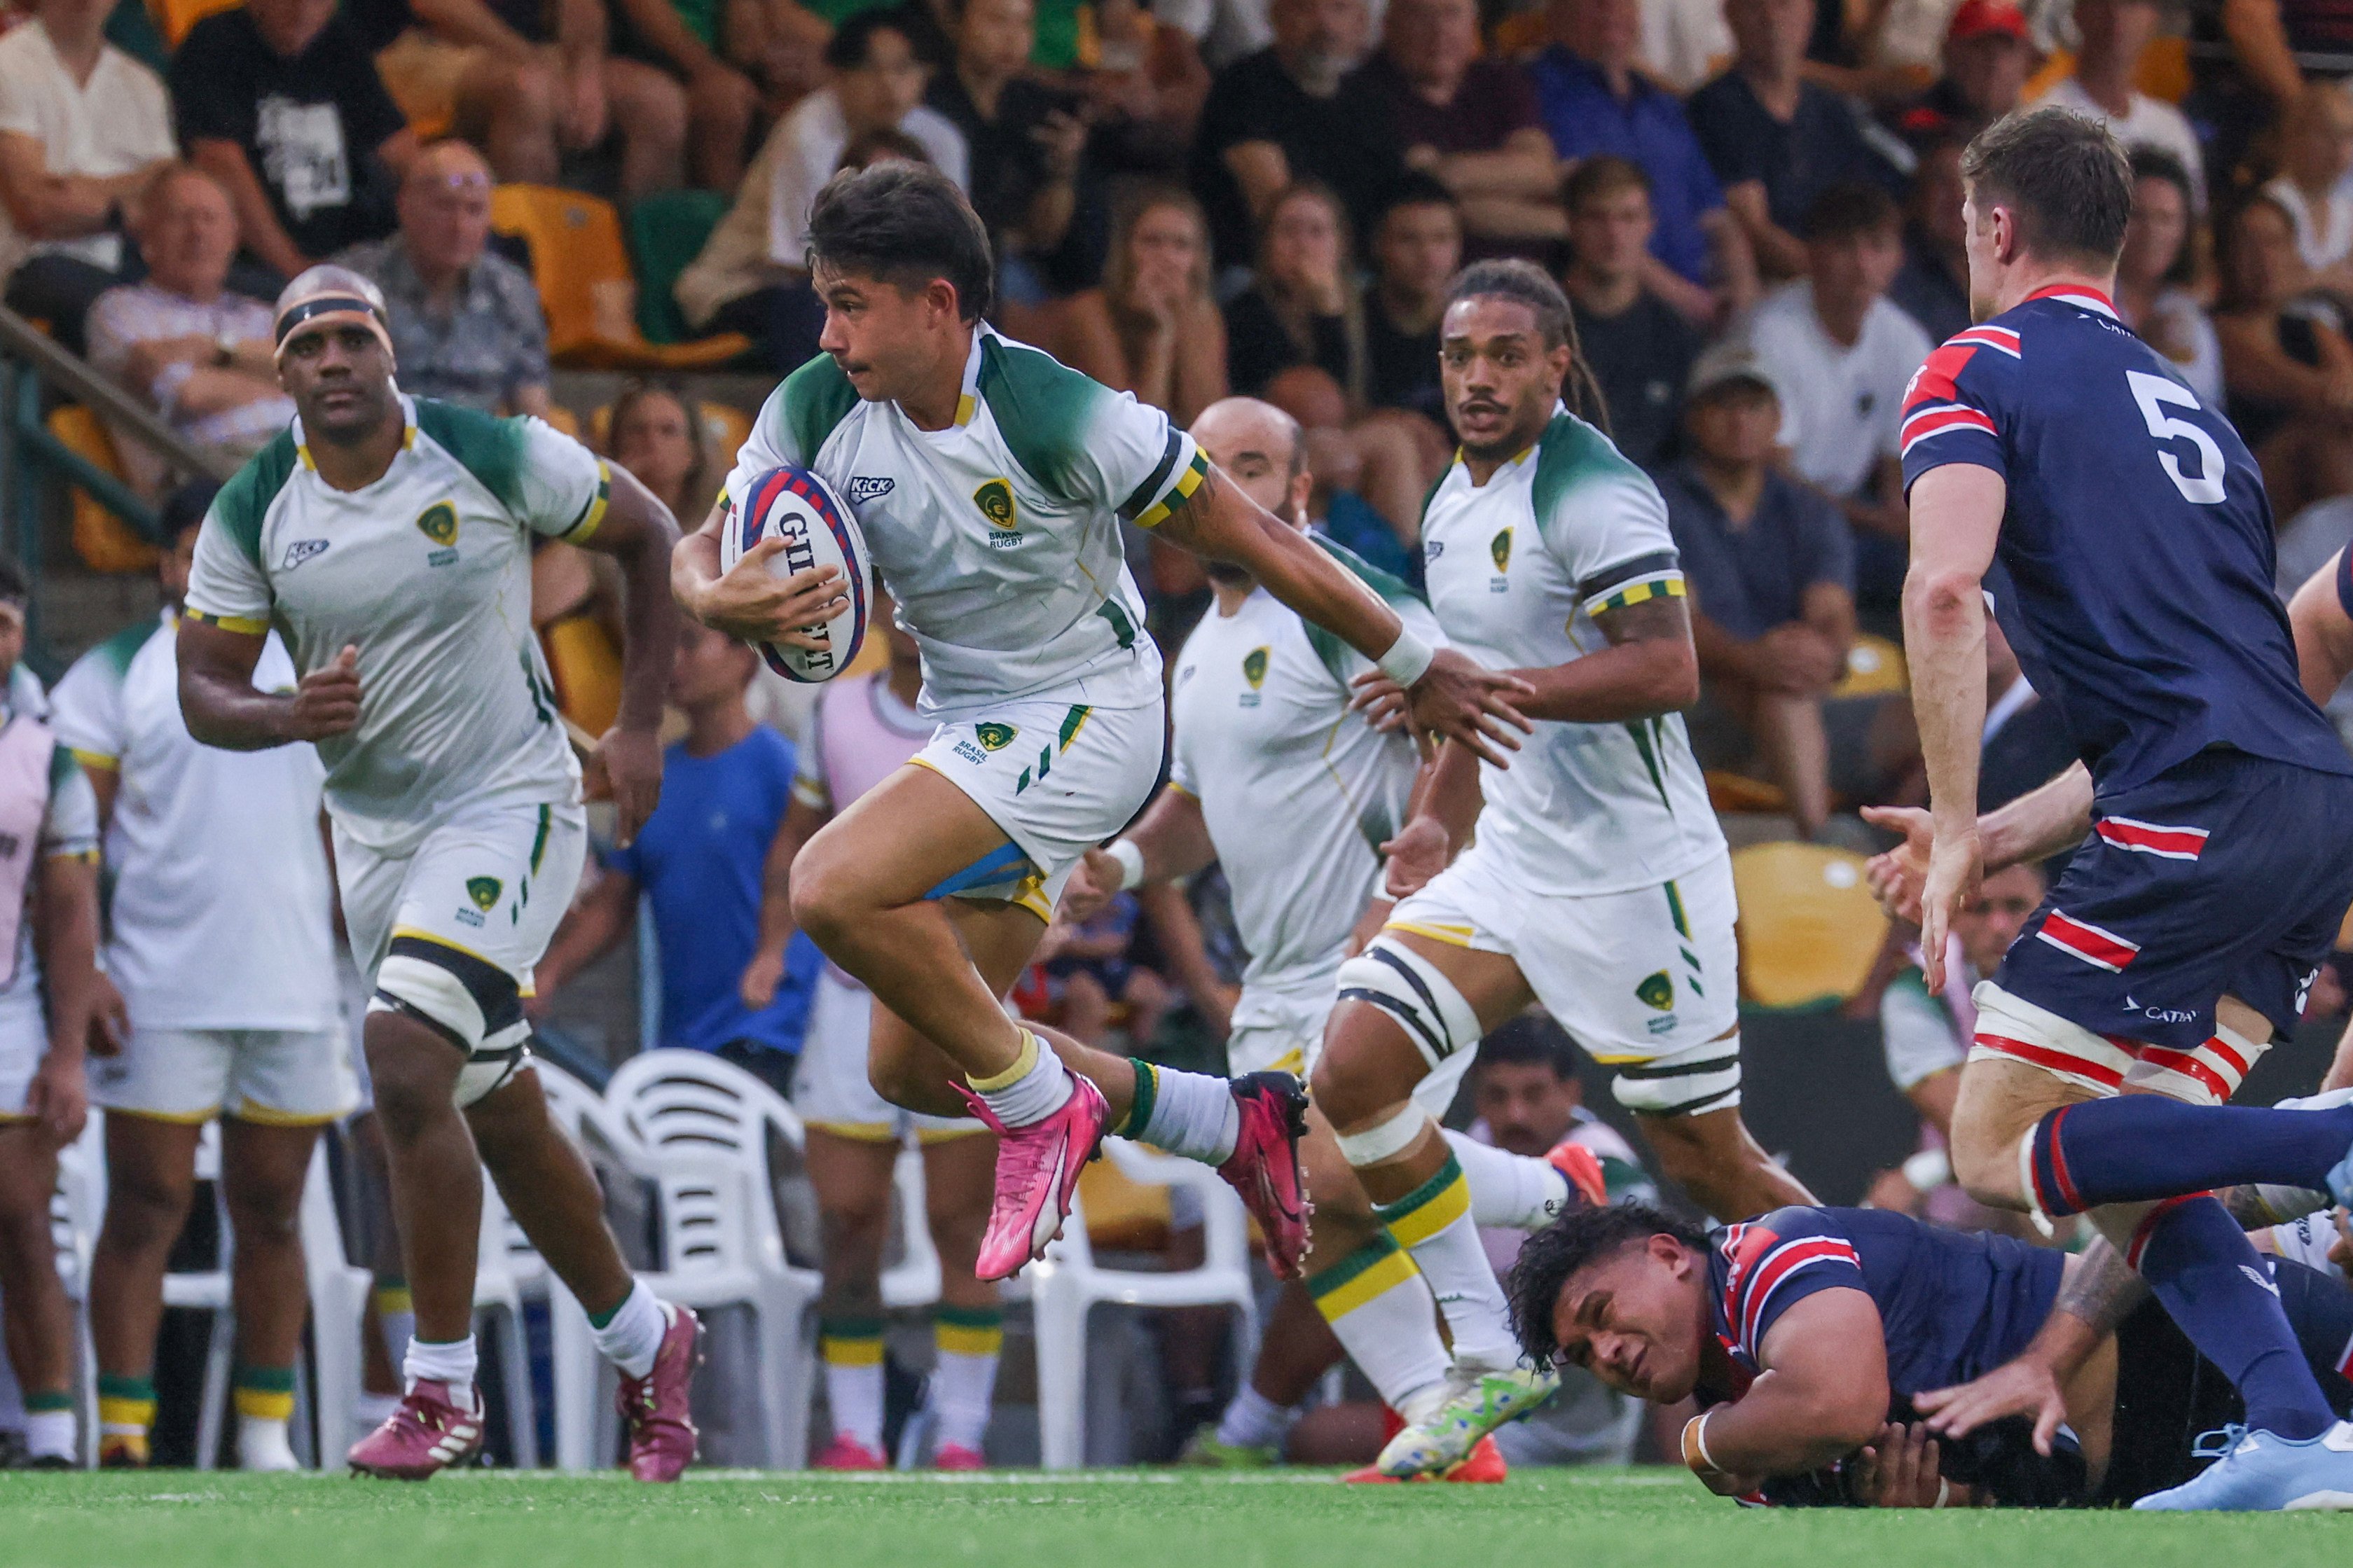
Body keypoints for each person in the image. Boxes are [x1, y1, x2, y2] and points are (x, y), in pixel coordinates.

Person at [670, 162, 1529, 1305]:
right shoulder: (817, 404)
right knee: (919, 1063)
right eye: (824, 301)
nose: (826, 331)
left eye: (849, 303)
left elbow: (1262, 538)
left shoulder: (1061, 411)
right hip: (971, 726)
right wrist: (708, 597)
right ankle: (1226, 1120)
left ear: (937, 303)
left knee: (829, 886)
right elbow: (704, 539)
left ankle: (1043, 1107)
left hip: (1091, 714)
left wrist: (1415, 658)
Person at [1868, 106, 2353, 1511]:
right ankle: (2284, 1428)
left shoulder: (1971, 367)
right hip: (2297, 804)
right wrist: (2003, 832)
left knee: (1995, 1147)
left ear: (1995, 228)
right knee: (2139, 1153)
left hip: (2194, 814)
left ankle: (2330, 1142)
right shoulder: (2189, 408)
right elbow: (2204, 690)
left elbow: (1942, 589)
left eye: (1965, 225)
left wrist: (1950, 816)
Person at [175, 265, 701, 1483]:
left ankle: (438, 1386)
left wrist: (633, 726)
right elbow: (204, 687)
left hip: (508, 800)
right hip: (373, 835)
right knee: (489, 1105)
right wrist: (281, 713)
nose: (337, 358)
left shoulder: (488, 450)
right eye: (310, 343)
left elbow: (648, 533)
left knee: (404, 1054)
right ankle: (644, 1330)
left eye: (356, 333)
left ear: (391, 350)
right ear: (283, 374)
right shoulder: (255, 506)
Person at [1311, 258, 1816, 1482]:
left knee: (1707, 1163)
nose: (1475, 377)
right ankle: (1489, 1344)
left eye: (1501, 354)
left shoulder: (1593, 487)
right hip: (1511, 861)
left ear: (1553, 362)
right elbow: (1468, 691)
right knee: (1352, 1069)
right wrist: (1436, 818)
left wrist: (1486, 692)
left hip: (1636, 882)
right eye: (1456, 355)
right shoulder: (1447, 495)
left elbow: (1666, 667)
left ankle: (1868, 1309)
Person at [1063, 396, 1596, 1483]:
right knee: (1304, 1216)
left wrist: (1406, 889)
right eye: (1203, 468)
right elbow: (1198, 808)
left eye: (1252, 464)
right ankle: (1448, 1432)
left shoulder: (1332, 598)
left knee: (1333, 1174)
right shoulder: (1199, 648)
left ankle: (1556, 1193)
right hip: (1274, 975)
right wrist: (1114, 864)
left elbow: (1474, 707)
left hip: (1382, 952)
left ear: (1299, 493)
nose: (1223, 486)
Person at [52, 503, 346, 1474]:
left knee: (273, 1211)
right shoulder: (113, 671)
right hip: (157, 985)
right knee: (145, 1205)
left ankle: (264, 1435)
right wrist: (84, 969)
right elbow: (69, 848)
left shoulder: (320, 663)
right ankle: (126, 1435)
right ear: (165, 559)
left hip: (296, 984)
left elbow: (347, 825)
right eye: (195, 548)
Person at [1505, 1200, 2353, 1507]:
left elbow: (1836, 1401)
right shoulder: (1748, 1430)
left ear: (1667, 1253)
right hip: (2164, 1471)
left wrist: (1699, 1446)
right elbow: (2000, 1497)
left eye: (1600, 1312)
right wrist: (1940, 1504)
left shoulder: (1766, 1254)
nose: (1607, 1350)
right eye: (1583, 1354)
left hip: (2221, 1344)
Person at [736, 590, 1000, 1472]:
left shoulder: (992, 712)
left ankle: (959, 1434)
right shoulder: (836, 708)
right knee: (847, 1220)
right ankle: (857, 1434)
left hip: (956, 997)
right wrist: (776, 945)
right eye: (892, 583)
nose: (912, 601)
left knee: (962, 1221)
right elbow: (796, 837)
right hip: (847, 1001)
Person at [531, 618, 820, 1088]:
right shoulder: (653, 781)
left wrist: (774, 959)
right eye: (664, 645)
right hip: (680, 1042)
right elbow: (615, 900)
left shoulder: (783, 768)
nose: (672, 661)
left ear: (745, 657)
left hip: (769, 1028)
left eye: (689, 643)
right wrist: (548, 974)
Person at [675, 10, 967, 373]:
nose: (889, 85)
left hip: (874, 289)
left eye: (904, 69)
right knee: (815, 309)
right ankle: (817, 421)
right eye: (872, 69)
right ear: (839, 76)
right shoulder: (806, 136)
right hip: (745, 288)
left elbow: (952, 249)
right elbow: (802, 264)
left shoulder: (942, 140)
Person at [1657, 343, 1856, 840]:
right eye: (1722, 406)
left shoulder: (1808, 508)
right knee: (1779, 691)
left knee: (1919, 715)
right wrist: (1757, 662)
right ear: (1693, 418)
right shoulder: (1655, 501)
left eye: (1753, 406)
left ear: (1776, 419)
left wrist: (1822, 655)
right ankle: (1819, 838)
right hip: (1698, 703)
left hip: (1803, 695)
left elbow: (1831, 610)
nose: (1739, 420)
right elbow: (1678, 621)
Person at [0, 560, 101, 1471]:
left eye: (4, 622)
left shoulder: (45, 751)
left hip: (5, 1009)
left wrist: (67, 1050)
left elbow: (68, 909)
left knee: (21, 1211)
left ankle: (52, 1436)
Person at [1464, 1015, 1652, 1469]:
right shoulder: (1463, 1151)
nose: (1516, 1115)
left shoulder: (1609, 1164)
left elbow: (1654, 1318)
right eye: (1497, 1095)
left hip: (1590, 1423)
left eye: (1533, 1093)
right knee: (1318, 1437)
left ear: (1571, 1092)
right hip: (1489, 1415)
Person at [1737, 181, 1931, 609]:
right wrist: (1882, 523)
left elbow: (1897, 478)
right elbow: (1773, 474)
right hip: (1771, 520)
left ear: (1897, 259)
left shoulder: (1907, 342)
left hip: (1856, 520)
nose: (1862, 265)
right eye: (1845, 247)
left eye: (1877, 247)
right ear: (1812, 253)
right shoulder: (1770, 333)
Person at [172, 0, 419, 284]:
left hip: (352, 259)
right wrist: (294, 267)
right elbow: (220, 164)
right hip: (257, 267)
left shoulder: (340, 43)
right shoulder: (216, 43)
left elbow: (398, 148)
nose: (303, 9)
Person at [85, 166, 293, 500]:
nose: (197, 232)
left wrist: (218, 354)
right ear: (146, 235)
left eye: (210, 218)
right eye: (180, 218)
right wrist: (276, 381)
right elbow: (186, 394)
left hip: (306, 455)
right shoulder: (121, 311)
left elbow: (315, 378)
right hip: (211, 475)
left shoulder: (261, 314)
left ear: (233, 237)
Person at [1527, 0, 1741, 321]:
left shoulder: (1663, 104)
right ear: (1557, 11)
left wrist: (1744, 292)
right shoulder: (1539, 92)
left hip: (1707, 305)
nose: (1611, 10)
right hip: (1620, 314)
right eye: (1596, 4)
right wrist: (1692, 302)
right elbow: (1597, 220)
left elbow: (1716, 216)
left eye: (1625, 2)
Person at [363, 0, 694, 199]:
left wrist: (586, 72)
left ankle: (629, 267)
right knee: (528, 92)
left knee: (658, 102)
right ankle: (528, 263)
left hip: (530, 54)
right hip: (419, 50)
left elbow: (582, 7)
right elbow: (437, 6)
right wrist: (534, 62)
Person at [0, 0, 175, 353]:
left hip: (133, 265)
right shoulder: (8, 64)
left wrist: (68, 187)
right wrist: (127, 204)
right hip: (31, 268)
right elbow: (35, 210)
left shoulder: (143, 86)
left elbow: (169, 200)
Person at [338, 140, 552, 419]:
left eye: (474, 210)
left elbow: (532, 410)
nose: (459, 227)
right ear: (405, 206)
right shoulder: (353, 284)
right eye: (444, 207)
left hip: (477, 453)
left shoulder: (512, 291)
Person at [1688, 0, 1898, 281]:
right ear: (1729, 15)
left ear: (1810, 12)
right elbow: (1755, 229)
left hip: (1849, 280)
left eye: (1784, 4)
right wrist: (1838, 279)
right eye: (1755, 7)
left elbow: (1870, 210)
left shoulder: (1834, 111)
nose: (1771, 18)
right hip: (1776, 290)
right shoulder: (1715, 108)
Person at [1189, 0, 1401, 270]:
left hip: (1359, 274)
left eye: (1339, 8)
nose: (1324, 25)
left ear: (1361, 24)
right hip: (1258, 274)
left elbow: (1399, 200)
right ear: (1275, 18)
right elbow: (1280, 214)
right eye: (1304, 8)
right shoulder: (1244, 87)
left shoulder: (1370, 100)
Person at [1345, 0, 1562, 248]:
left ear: (1474, 25)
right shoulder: (1362, 94)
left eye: (1452, 13)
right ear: (1389, 25)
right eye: (1422, 15)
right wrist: (1560, 223)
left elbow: (1542, 169)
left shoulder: (1500, 80)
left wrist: (1447, 171)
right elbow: (1431, 200)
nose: (1440, 30)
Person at [925, 0, 1093, 296]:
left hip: (1028, 265)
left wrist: (1064, 169)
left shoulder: (1040, 108)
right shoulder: (931, 104)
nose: (1012, 37)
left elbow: (1047, 234)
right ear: (956, 23)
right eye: (997, 21)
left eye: (1023, 24)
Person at [2213, 192, 2353, 522]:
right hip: (2241, 482)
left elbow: (2346, 385)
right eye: (2249, 245)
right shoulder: (2215, 330)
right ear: (2226, 254)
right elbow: (2313, 391)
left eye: (2275, 243)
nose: (2264, 258)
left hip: (2312, 497)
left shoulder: (2310, 328)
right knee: (2316, 440)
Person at [1561, 157, 1708, 468]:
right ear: (1571, 224)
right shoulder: (1535, 331)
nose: (1613, 235)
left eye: (1628, 218)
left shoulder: (1677, 339)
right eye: (1597, 218)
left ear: (1649, 226)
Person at [1046, 184, 1227, 426]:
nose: (1167, 258)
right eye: (1152, 242)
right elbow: (1130, 432)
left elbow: (1208, 423)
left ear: (1198, 260)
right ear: (1125, 252)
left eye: (1181, 245)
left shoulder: (1204, 316)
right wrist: (1160, 337)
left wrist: (1182, 324)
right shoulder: (1089, 312)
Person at [2037, 0, 2205, 213]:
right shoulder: (2045, 122)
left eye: (2131, 4)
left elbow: (2197, 227)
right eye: (2102, 3)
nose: (2116, 16)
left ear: (2153, 17)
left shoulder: (2172, 129)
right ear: (2078, 12)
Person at [2114, 148, 2221, 409]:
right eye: (2138, 215)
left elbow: (2211, 412)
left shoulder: (2191, 314)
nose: (2152, 232)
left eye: (2166, 219)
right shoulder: (2084, 304)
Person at [1363, 177, 1461, 428]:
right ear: (1378, 244)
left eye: (1440, 239)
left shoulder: (1481, 323)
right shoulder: (1353, 322)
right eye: (1408, 240)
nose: (1427, 255)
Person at [2261, 82, 2353, 298]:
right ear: (2297, 136)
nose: (2341, 149)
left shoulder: (2344, 210)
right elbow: (2263, 289)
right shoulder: (2272, 205)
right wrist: (2326, 279)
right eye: (2328, 135)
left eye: (2348, 136)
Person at [1888, 130, 1971, 346]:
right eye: (1942, 182)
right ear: (1917, 197)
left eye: (1971, 184)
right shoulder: (1894, 275)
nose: (1957, 197)